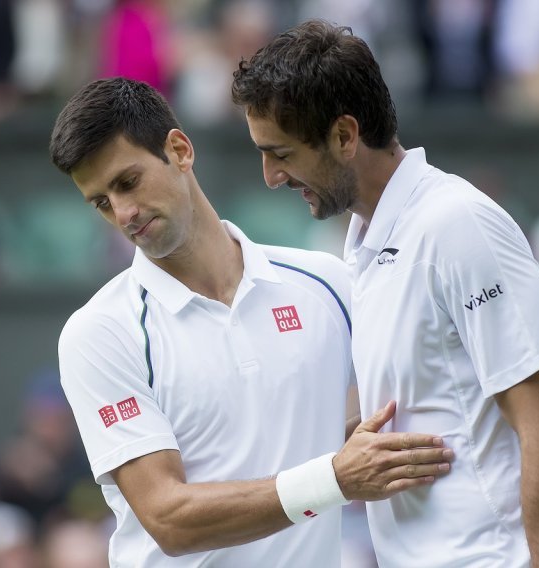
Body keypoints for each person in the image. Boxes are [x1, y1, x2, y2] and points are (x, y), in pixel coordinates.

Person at [48, 77, 453, 567]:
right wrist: (336, 477)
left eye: (127, 182)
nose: (124, 213)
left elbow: (420, 387)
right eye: (101, 202)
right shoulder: (99, 334)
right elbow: (169, 517)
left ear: (179, 150)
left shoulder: (326, 283)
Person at [232, 19, 539, 567]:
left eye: (281, 154)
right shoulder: (364, 244)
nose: (270, 177)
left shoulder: (457, 224)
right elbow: (438, 409)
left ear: (345, 137)